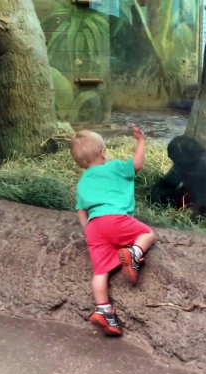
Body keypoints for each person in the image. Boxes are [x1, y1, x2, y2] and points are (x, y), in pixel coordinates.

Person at [70, 123, 157, 336]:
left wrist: (89, 231)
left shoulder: (82, 181)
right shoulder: (114, 166)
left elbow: (81, 211)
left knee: (100, 272)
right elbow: (136, 164)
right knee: (147, 234)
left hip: (94, 227)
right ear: (103, 152)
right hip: (115, 218)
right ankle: (134, 254)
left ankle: (103, 310)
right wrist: (140, 140)